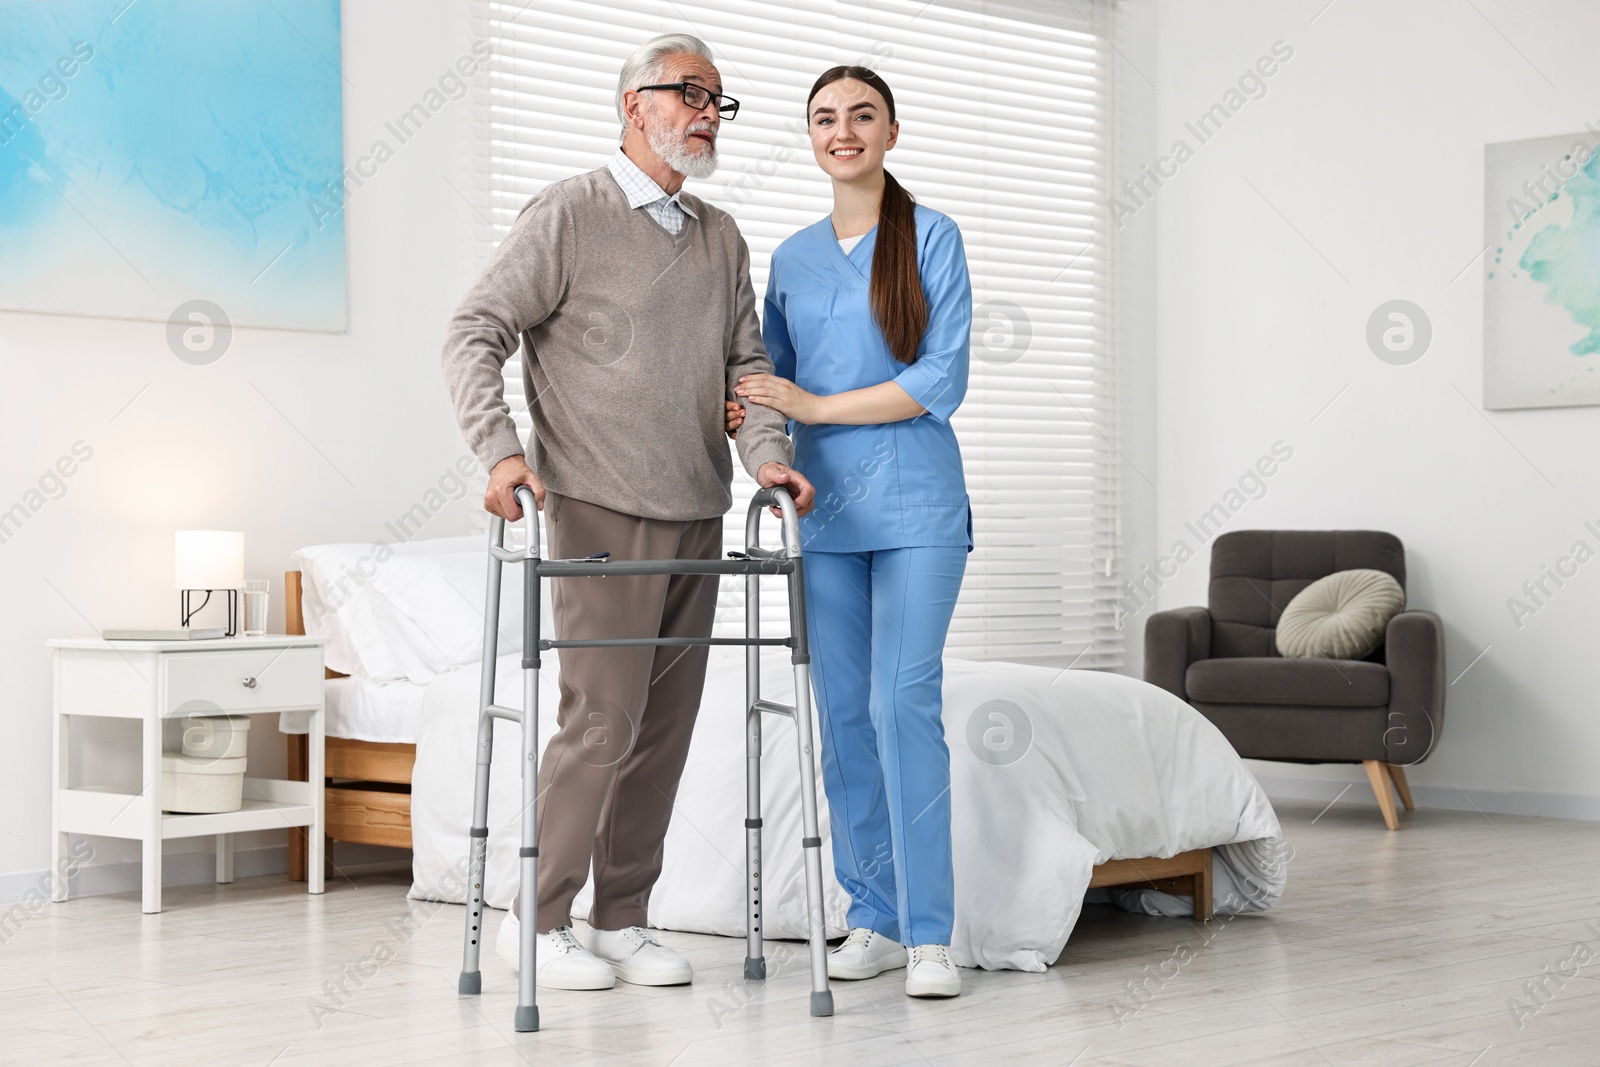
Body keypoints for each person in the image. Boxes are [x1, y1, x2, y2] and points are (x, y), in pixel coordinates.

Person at [442, 32, 815, 992]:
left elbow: (747, 368)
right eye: (689, 92)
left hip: (699, 503)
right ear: (631, 105)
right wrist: (500, 450)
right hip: (598, 504)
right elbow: (474, 329)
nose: (706, 111)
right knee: (600, 719)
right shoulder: (571, 212)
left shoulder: (722, 237)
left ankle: (621, 915)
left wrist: (770, 460)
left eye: (718, 100)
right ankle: (537, 917)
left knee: (665, 726)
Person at [729, 65, 973, 998]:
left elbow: (936, 382)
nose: (844, 131)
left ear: (891, 132)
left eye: (861, 115)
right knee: (841, 718)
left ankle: (930, 934)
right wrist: (759, 437)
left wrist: (815, 405)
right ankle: (867, 911)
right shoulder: (790, 259)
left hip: (916, 508)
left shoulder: (933, 237)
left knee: (898, 704)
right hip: (822, 512)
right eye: (825, 118)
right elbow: (766, 388)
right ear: (811, 138)